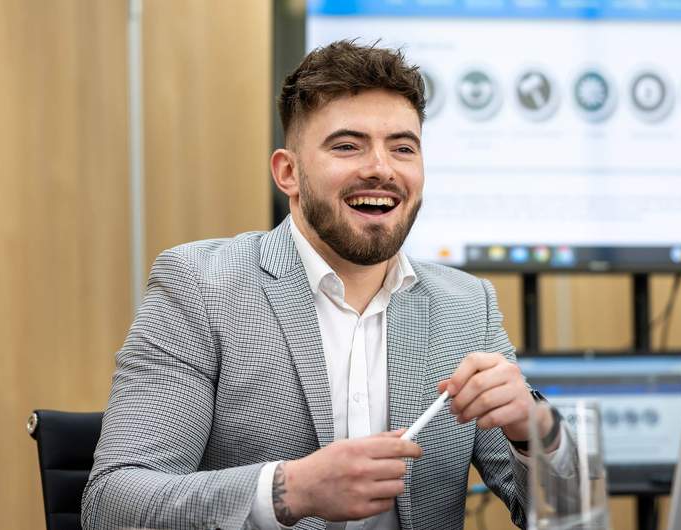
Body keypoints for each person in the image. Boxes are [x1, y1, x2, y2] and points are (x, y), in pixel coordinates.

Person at [82, 40, 568, 530]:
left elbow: (569, 515)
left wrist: (534, 430)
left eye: (403, 148)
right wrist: (289, 490)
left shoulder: (467, 306)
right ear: (288, 172)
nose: (381, 167)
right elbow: (114, 503)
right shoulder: (201, 286)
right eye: (347, 146)